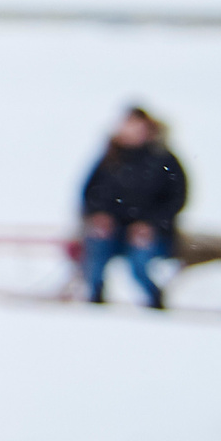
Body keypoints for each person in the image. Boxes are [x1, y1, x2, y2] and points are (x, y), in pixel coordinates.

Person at [80, 106, 187, 309]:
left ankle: (156, 301)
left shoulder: (164, 160)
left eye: (134, 125)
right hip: (112, 231)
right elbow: (89, 193)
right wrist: (99, 216)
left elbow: (176, 199)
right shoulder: (110, 158)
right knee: (96, 253)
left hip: (151, 233)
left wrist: (151, 225)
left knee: (139, 263)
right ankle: (94, 299)